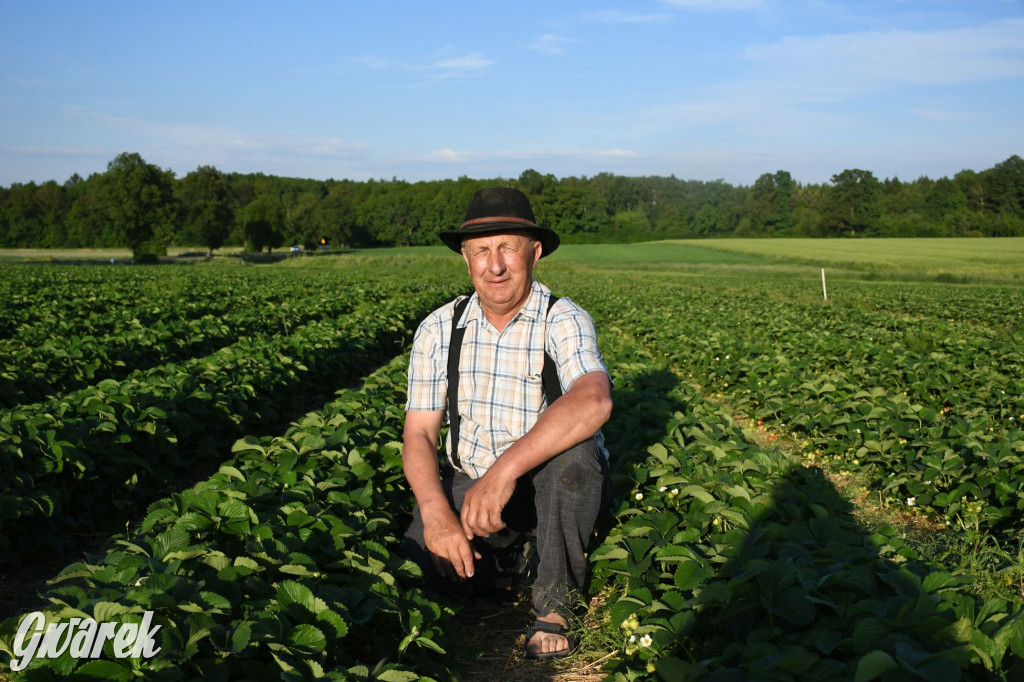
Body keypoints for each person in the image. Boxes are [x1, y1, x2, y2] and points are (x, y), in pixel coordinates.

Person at [400, 187, 613, 660]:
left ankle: (555, 606)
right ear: (465, 258)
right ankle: (507, 559)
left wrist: (503, 473)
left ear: (534, 253)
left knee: (575, 459)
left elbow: (594, 401)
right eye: (481, 251)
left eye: (507, 248)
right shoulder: (439, 328)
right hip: (470, 481)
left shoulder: (563, 318)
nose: (494, 265)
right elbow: (418, 433)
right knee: (419, 566)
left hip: (546, 484)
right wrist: (436, 514)